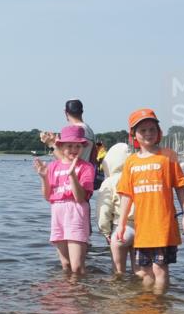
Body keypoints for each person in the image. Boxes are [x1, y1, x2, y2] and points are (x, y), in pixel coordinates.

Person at [115, 109, 184, 294]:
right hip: (143, 227)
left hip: (163, 224)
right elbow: (126, 195)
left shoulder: (168, 156)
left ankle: (159, 304)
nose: (148, 134)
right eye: (143, 130)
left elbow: (180, 187)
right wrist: (121, 224)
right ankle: (147, 307)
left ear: (159, 132)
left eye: (152, 129)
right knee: (144, 272)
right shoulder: (131, 162)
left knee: (160, 268)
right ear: (134, 134)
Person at [33, 125, 95, 275]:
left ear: (82, 147)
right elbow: (48, 196)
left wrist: (72, 175)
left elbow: (80, 198)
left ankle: (80, 294)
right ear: (60, 146)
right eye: (69, 146)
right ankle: (66, 295)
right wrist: (43, 177)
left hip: (76, 213)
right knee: (66, 265)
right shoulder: (53, 166)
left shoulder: (86, 167)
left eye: (77, 146)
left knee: (77, 267)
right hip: (58, 213)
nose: (74, 149)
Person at [97, 143, 137, 276]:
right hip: (141, 228)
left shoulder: (109, 182)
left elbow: (103, 211)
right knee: (139, 273)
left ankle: (118, 295)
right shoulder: (138, 176)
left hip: (121, 230)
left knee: (118, 273)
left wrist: (106, 232)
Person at [64, 99, 96, 163]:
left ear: (65, 112)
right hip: (87, 170)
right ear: (82, 111)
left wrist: (52, 145)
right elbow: (93, 156)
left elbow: (66, 162)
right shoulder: (89, 130)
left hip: (76, 171)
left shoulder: (73, 130)